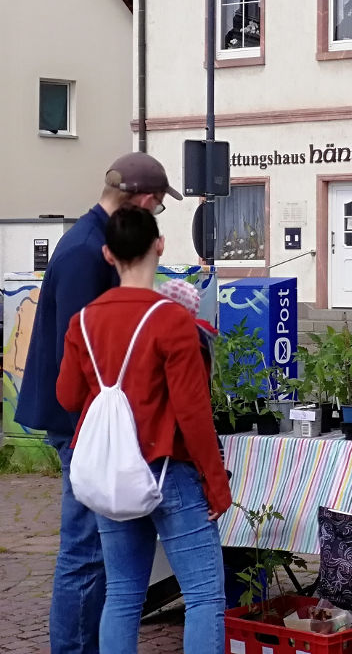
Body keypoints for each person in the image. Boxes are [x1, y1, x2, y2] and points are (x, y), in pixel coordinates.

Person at [14, 152, 180, 654]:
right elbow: (87, 354)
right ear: (146, 200)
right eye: (159, 207)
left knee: (91, 552)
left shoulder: (89, 241)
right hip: (82, 423)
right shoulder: (88, 252)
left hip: (83, 419)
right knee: (86, 554)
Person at [56, 205, 231, 654]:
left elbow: (68, 397)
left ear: (108, 255)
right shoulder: (171, 319)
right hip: (168, 469)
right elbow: (193, 413)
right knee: (204, 596)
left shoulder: (85, 321)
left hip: (113, 474)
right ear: (160, 245)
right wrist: (216, 483)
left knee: (122, 595)